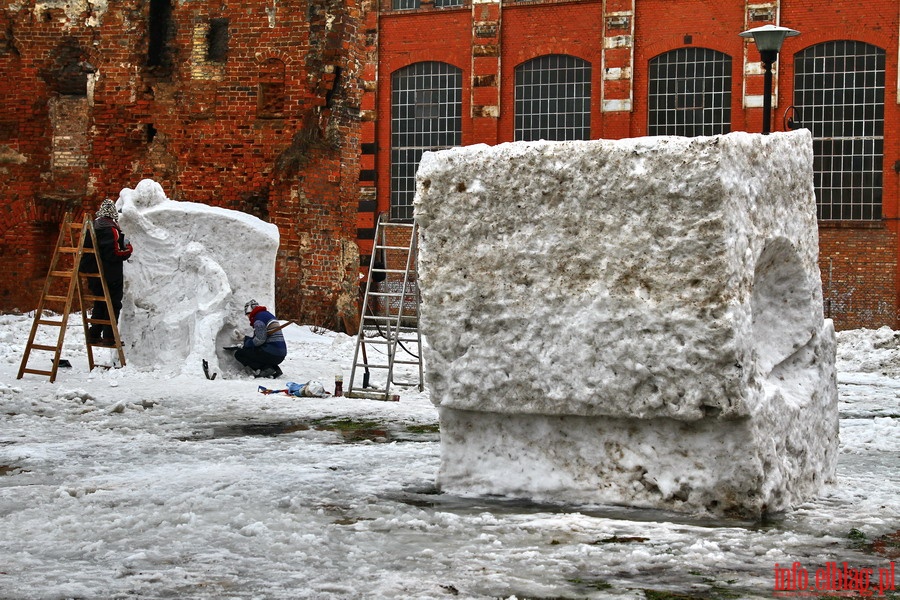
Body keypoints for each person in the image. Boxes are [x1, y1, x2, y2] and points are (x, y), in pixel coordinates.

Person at [79, 199, 133, 346]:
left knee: (100, 303)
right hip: (110, 275)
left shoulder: (93, 227)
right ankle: (109, 337)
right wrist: (128, 250)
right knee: (113, 304)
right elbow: (114, 254)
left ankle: (94, 334)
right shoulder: (111, 229)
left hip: (93, 275)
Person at [234, 299, 287, 378]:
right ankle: (275, 370)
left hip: (272, 353)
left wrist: (246, 344)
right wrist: (245, 338)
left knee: (239, 354)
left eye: (247, 314)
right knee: (258, 352)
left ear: (250, 312)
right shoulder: (266, 315)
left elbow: (259, 340)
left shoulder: (258, 319)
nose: (248, 317)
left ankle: (265, 369)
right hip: (280, 354)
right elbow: (262, 337)